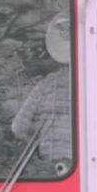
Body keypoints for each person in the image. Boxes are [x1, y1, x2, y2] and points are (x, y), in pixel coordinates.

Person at [11, 13, 74, 176]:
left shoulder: (47, 84)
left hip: (50, 165)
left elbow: (18, 128)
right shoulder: (94, 81)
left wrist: (38, 134)